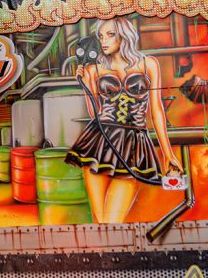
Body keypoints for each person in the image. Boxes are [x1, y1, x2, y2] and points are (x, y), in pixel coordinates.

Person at [65, 17, 182, 223]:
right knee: (100, 222)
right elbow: (96, 114)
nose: (104, 41)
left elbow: (156, 110)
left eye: (110, 35)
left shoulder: (148, 64)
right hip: (99, 143)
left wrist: (168, 154)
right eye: (101, 36)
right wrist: (86, 85)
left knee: (113, 222)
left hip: (133, 145)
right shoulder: (95, 69)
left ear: (124, 36)